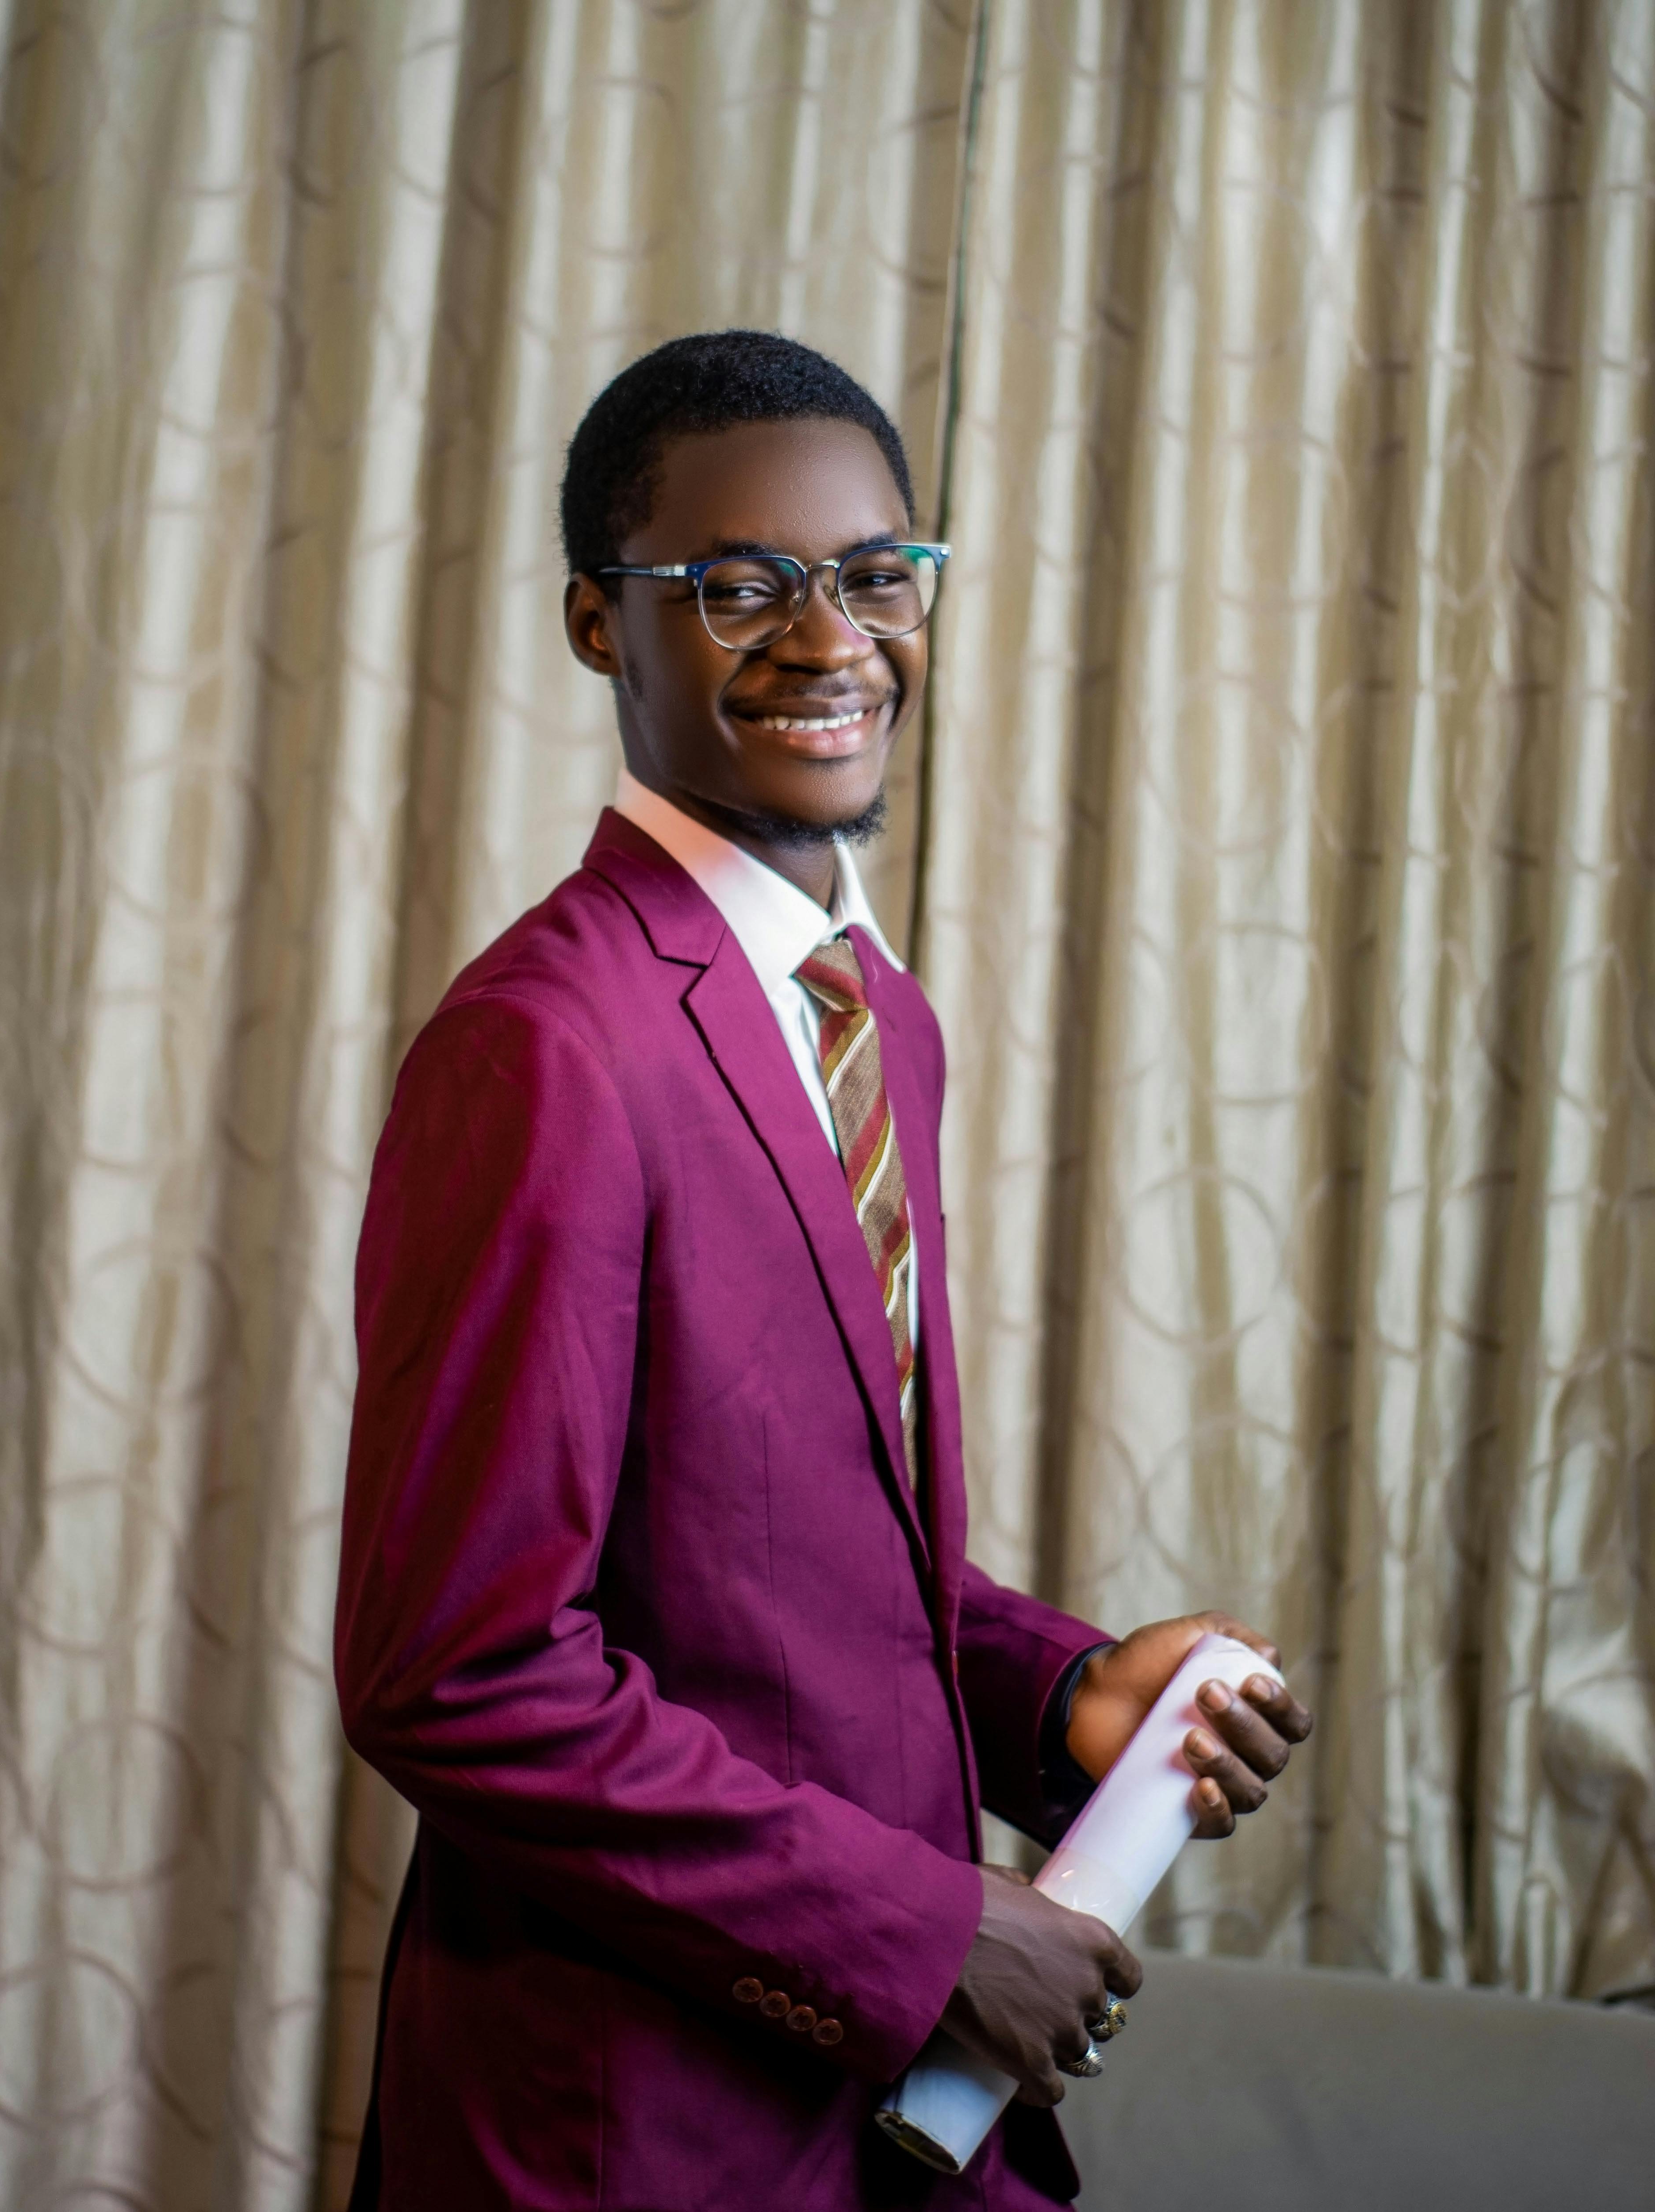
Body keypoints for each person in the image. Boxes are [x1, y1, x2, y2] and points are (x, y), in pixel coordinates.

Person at [334, 330, 1312, 2212]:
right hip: (633, 2128)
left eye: (876, 572)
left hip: (872, 2112)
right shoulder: (546, 1043)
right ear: (597, 626)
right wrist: (922, 1933)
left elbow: (790, 1561)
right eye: (738, 584)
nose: (829, 634)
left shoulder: (878, 1020)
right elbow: (458, 1673)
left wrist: (1068, 1694)